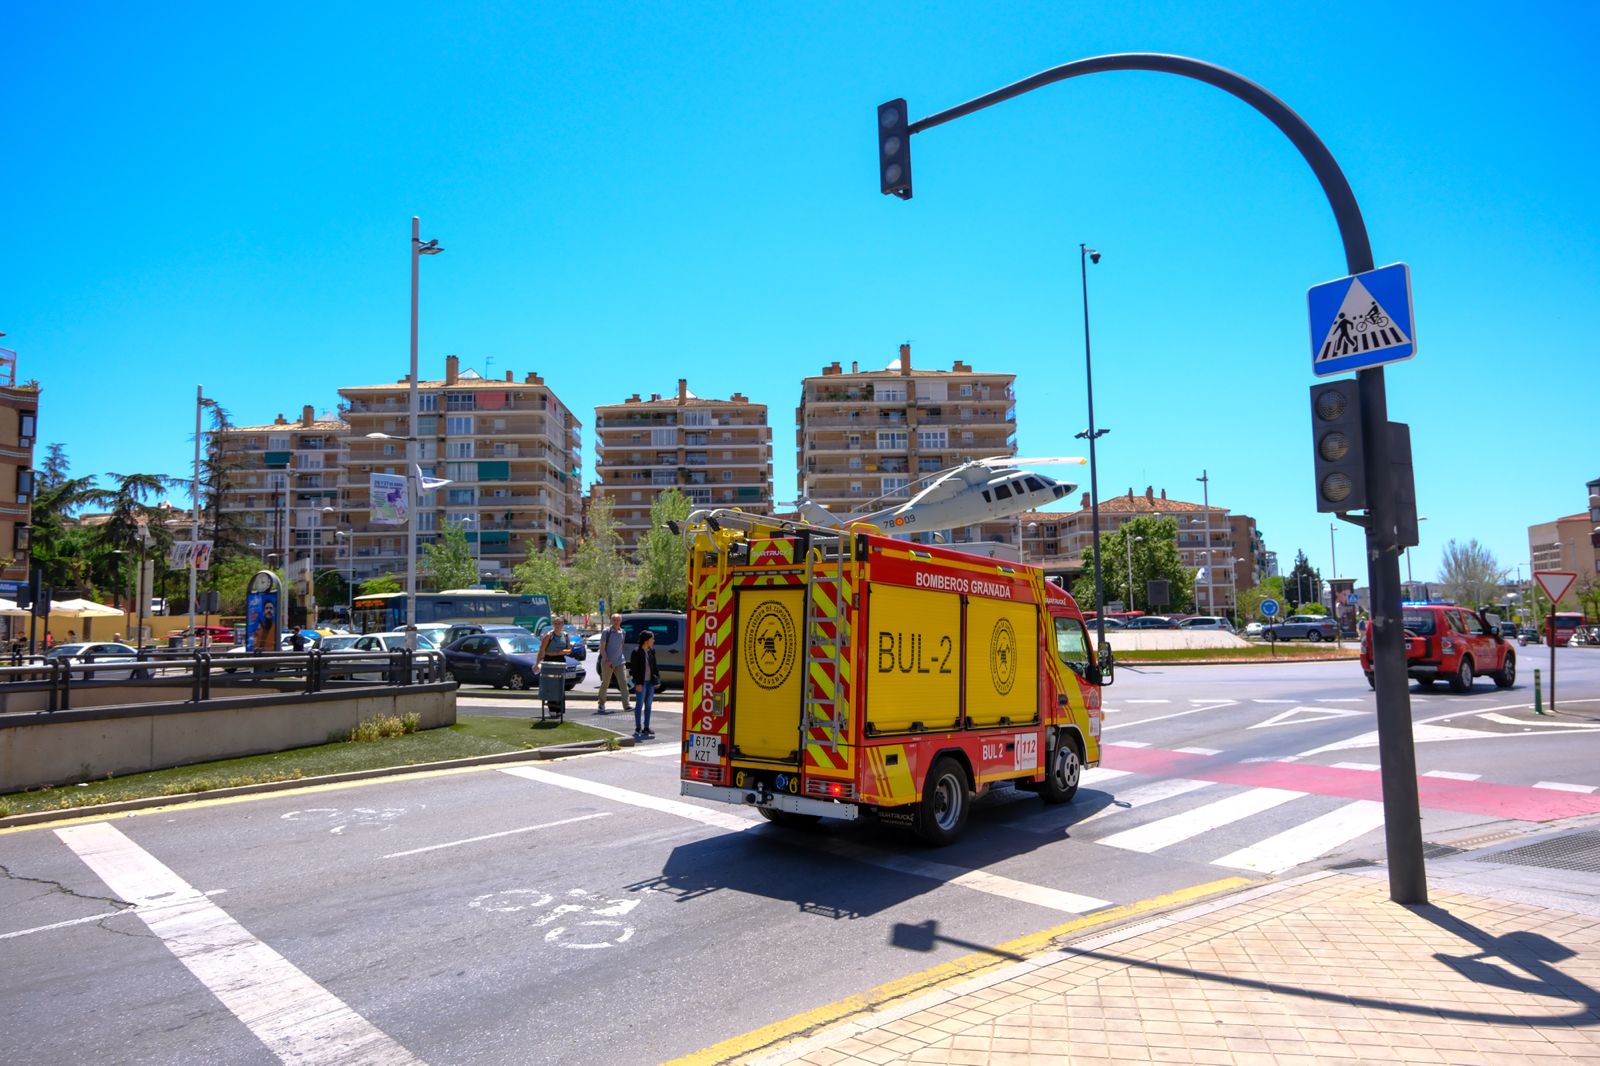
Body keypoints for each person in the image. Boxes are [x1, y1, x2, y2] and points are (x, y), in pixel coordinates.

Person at [596, 614, 631, 715]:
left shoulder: (623, 632)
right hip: (608, 662)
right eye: (614, 620)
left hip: (620, 662)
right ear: (611, 621)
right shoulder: (607, 632)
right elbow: (602, 648)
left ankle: (626, 705)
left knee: (623, 683)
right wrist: (607, 660)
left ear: (620, 621)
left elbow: (621, 646)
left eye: (618, 620)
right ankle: (601, 704)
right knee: (605, 683)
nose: (616, 622)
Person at [628, 631, 660, 740]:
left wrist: (657, 680)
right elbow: (634, 670)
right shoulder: (636, 652)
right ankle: (638, 727)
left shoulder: (651, 651)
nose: (654, 641)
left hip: (650, 682)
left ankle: (646, 727)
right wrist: (638, 683)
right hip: (641, 683)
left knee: (649, 705)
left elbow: (654, 667)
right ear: (647, 640)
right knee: (639, 705)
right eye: (652, 639)